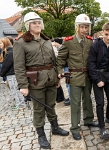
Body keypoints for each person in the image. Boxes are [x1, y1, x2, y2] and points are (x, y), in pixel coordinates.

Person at [13, 12, 69, 149]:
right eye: (34, 23)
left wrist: (57, 78)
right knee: (39, 109)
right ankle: (41, 135)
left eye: (39, 22)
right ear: (28, 25)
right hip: (35, 82)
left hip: (50, 79)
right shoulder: (21, 43)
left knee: (51, 105)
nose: (37, 25)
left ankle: (55, 128)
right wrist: (23, 86)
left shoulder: (46, 41)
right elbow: (19, 67)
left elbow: (54, 62)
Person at [56, 14, 98, 140]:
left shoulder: (90, 41)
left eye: (86, 27)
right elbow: (60, 60)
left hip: (87, 76)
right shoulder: (68, 42)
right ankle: (75, 127)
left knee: (88, 99)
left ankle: (88, 120)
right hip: (74, 76)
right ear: (77, 27)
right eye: (82, 27)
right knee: (75, 103)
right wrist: (59, 71)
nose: (84, 29)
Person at [88, 22, 109, 140]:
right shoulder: (96, 45)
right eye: (106, 34)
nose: (108, 37)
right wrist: (97, 79)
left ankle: (108, 117)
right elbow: (91, 64)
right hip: (98, 75)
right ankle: (102, 127)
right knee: (100, 103)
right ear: (102, 32)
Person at [52, 38, 70, 106]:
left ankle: (70, 98)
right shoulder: (58, 48)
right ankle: (68, 97)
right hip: (65, 67)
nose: (54, 44)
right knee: (67, 84)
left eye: (54, 42)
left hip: (67, 67)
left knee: (68, 84)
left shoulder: (61, 48)